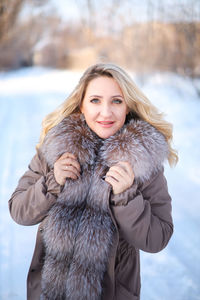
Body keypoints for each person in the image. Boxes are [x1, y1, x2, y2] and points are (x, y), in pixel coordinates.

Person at [9, 63, 178, 300]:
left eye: (117, 101)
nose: (106, 113)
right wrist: (51, 182)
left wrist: (127, 197)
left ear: (128, 105)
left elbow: (157, 238)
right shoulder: (56, 149)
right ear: (81, 104)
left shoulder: (143, 161)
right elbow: (18, 211)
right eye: (95, 100)